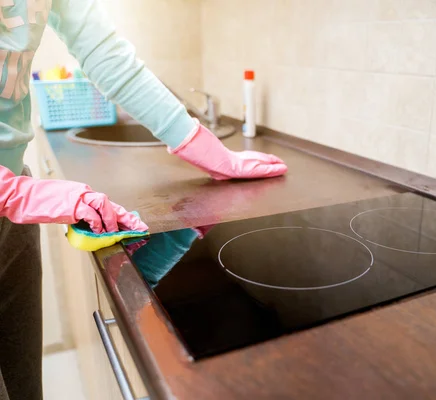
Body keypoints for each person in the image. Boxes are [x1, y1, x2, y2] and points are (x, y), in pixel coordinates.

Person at [0, 1, 288, 399]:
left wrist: (207, 150)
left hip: (10, 209)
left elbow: (106, 53)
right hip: (10, 193)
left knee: (22, 383)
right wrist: (15, 193)